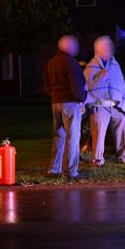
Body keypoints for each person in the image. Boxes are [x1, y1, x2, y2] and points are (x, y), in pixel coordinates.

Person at [43, 35, 86, 179]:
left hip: (55, 103)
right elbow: (77, 85)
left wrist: (53, 95)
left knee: (58, 136)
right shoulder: (71, 63)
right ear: (69, 47)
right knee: (72, 137)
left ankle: (54, 169)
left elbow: (46, 83)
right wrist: (81, 99)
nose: (77, 48)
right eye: (75, 45)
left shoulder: (51, 63)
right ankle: (71, 172)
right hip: (70, 103)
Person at [84, 36, 125, 166]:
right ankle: (97, 159)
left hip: (115, 105)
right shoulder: (90, 68)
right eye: (105, 47)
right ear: (97, 49)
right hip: (99, 106)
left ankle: (123, 157)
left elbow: (120, 86)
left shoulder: (115, 66)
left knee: (121, 126)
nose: (108, 49)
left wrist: (123, 103)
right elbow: (88, 87)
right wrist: (100, 76)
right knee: (98, 132)